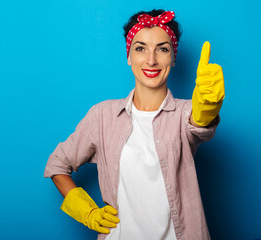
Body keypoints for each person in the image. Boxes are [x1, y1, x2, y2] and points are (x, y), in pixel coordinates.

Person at [44, 9, 225, 240]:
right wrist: (87, 212)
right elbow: (57, 165)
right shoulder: (102, 115)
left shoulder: (185, 112)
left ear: (173, 57)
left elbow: (199, 124)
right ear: (129, 56)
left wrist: (208, 106)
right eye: (140, 48)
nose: (151, 59)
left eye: (162, 48)